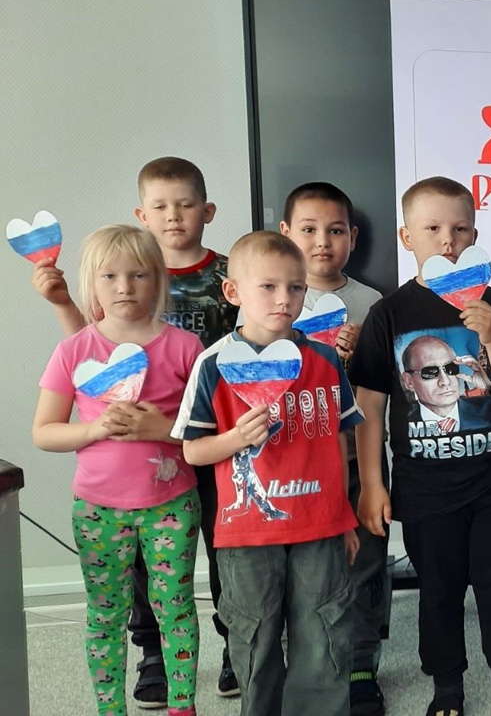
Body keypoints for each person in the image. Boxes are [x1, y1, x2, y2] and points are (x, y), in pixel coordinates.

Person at [30, 156, 241, 706]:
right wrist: (95, 428)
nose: (124, 287)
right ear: (92, 283)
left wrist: (160, 428)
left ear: (158, 279)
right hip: (98, 506)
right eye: (110, 277)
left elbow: (208, 427)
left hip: (174, 499)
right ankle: (115, 700)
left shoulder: (185, 346)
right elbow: (45, 432)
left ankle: (188, 698)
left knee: (179, 606)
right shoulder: (75, 349)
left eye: (138, 275)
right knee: (107, 613)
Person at [349, 176, 491, 716]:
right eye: (432, 228)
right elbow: (369, 405)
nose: (447, 240)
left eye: (459, 229)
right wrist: (372, 484)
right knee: (437, 592)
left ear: (475, 235)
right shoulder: (390, 313)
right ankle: (447, 689)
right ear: (407, 237)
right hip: (426, 489)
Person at [173, 231, 363, 716]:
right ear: (233, 291)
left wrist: (344, 516)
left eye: (296, 287)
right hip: (248, 532)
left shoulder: (324, 360)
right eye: (269, 287)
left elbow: (339, 440)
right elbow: (193, 451)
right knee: (254, 636)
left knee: (325, 632)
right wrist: (237, 438)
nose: (284, 299)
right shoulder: (213, 364)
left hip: (319, 524)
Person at [279, 181, 390, 716]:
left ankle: (362, 661)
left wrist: (358, 350)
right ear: (286, 233)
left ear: (353, 237)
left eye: (335, 231)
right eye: (308, 230)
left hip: (354, 456)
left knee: (365, 560)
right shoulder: (273, 299)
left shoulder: (373, 304)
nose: (322, 241)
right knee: (302, 566)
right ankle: (306, 661)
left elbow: (382, 389)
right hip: (293, 462)